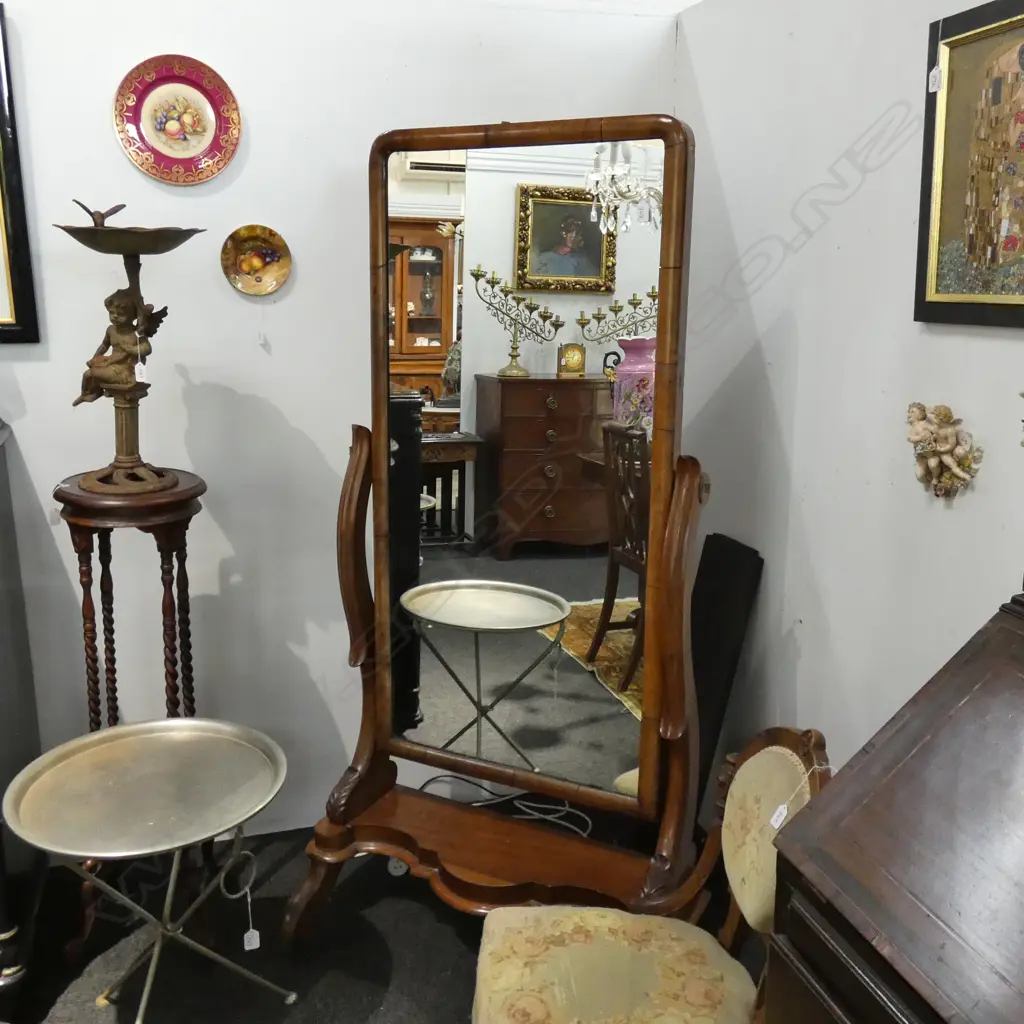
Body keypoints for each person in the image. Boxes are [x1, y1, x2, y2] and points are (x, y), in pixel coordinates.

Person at [73, 289, 151, 406]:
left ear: (133, 315)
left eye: (120, 314)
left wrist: (132, 349)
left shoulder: (136, 333)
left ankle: (92, 393)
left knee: (90, 374)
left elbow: (147, 348)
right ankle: (87, 393)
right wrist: (96, 358)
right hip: (111, 362)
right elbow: (104, 345)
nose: (115, 317)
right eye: (111, 313)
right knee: (89, 373)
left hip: (125, 370)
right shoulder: (111, 330)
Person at [532, 215, 598, 278]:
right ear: (563, 233)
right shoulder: (544, 258)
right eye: (570, 231)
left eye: (577, 233)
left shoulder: (583, 261)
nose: (573, 236)